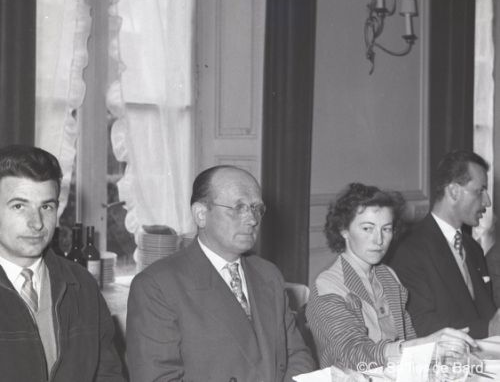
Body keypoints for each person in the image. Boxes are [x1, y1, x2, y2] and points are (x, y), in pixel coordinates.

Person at [126, 165, 315, 382]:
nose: (252, 219)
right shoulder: (157, 285)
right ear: (201, 214)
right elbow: (158, 378)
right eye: (238, 207)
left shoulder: (268, 274)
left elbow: (296, 355)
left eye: (256, 208)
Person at [306, 182, 477, 370]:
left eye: (386, 229)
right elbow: (352, 354)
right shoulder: (328, 286)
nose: (379, 240)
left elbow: (409, 335)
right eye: (367, 228)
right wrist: (419, 347)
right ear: (344, 230)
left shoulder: (387, 275)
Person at [0, 144, 125, 382]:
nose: (37, 223)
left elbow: (108, 374)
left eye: (46, 206)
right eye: (19, 206)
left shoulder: (82, 284)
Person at [389, 150, 499, 339]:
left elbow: (486, 311)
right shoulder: (409, 249)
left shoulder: (473, 248)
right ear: (454, 191)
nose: (487, 201)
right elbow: (421, 325)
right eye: (480, 191)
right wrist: (488, 329)